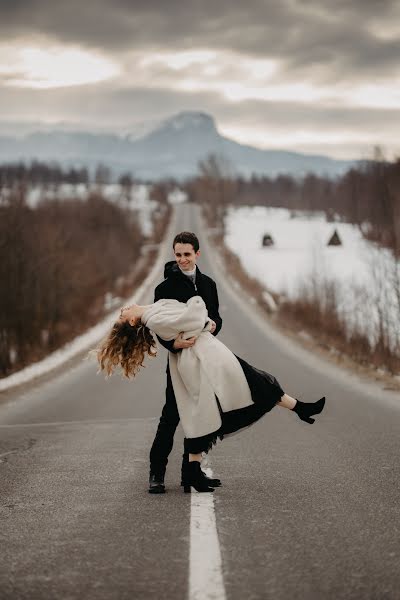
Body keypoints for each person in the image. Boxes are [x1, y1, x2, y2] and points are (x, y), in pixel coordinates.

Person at [97, 295, 326, 493]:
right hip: (203, 362)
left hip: (211, 355)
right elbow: (192, 317)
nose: (122, 310)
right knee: (220, 406)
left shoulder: (156, 309)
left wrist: (201, 321)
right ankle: (301, 408)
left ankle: (301, 408)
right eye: (122, 317)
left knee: (249, 389)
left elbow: (189, 320)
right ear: (134, 321)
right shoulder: (154, 318)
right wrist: (200, 311)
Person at [148, 231, 223, 494]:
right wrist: (173, 344)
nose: (182, 259)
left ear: (197, 254)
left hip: (204, 359)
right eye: (178, 254)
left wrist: (213, 326)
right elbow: (157, 325)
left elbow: (216, 317)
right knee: (171, 416)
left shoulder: (209, 284)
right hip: (179, 360)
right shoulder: (164, 288)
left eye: (187, 254)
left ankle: (189, 473)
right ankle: (156, 474)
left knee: (199, 415)